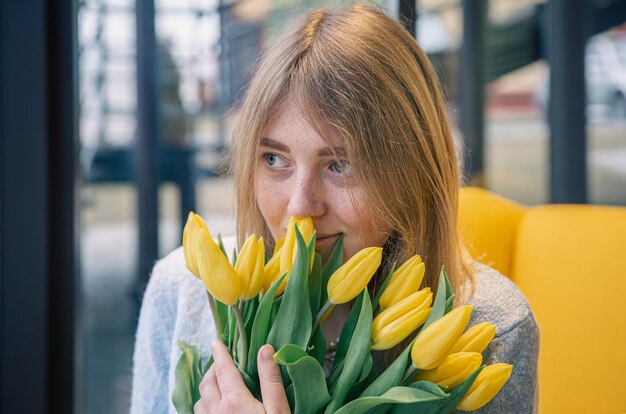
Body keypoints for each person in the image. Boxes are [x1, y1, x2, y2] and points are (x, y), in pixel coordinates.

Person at [130, 4, 539, 414]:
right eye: (274, 159)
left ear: (413, 176)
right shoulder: (181, 290)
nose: (300, 206)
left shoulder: (490, 329)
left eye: (340, 165)